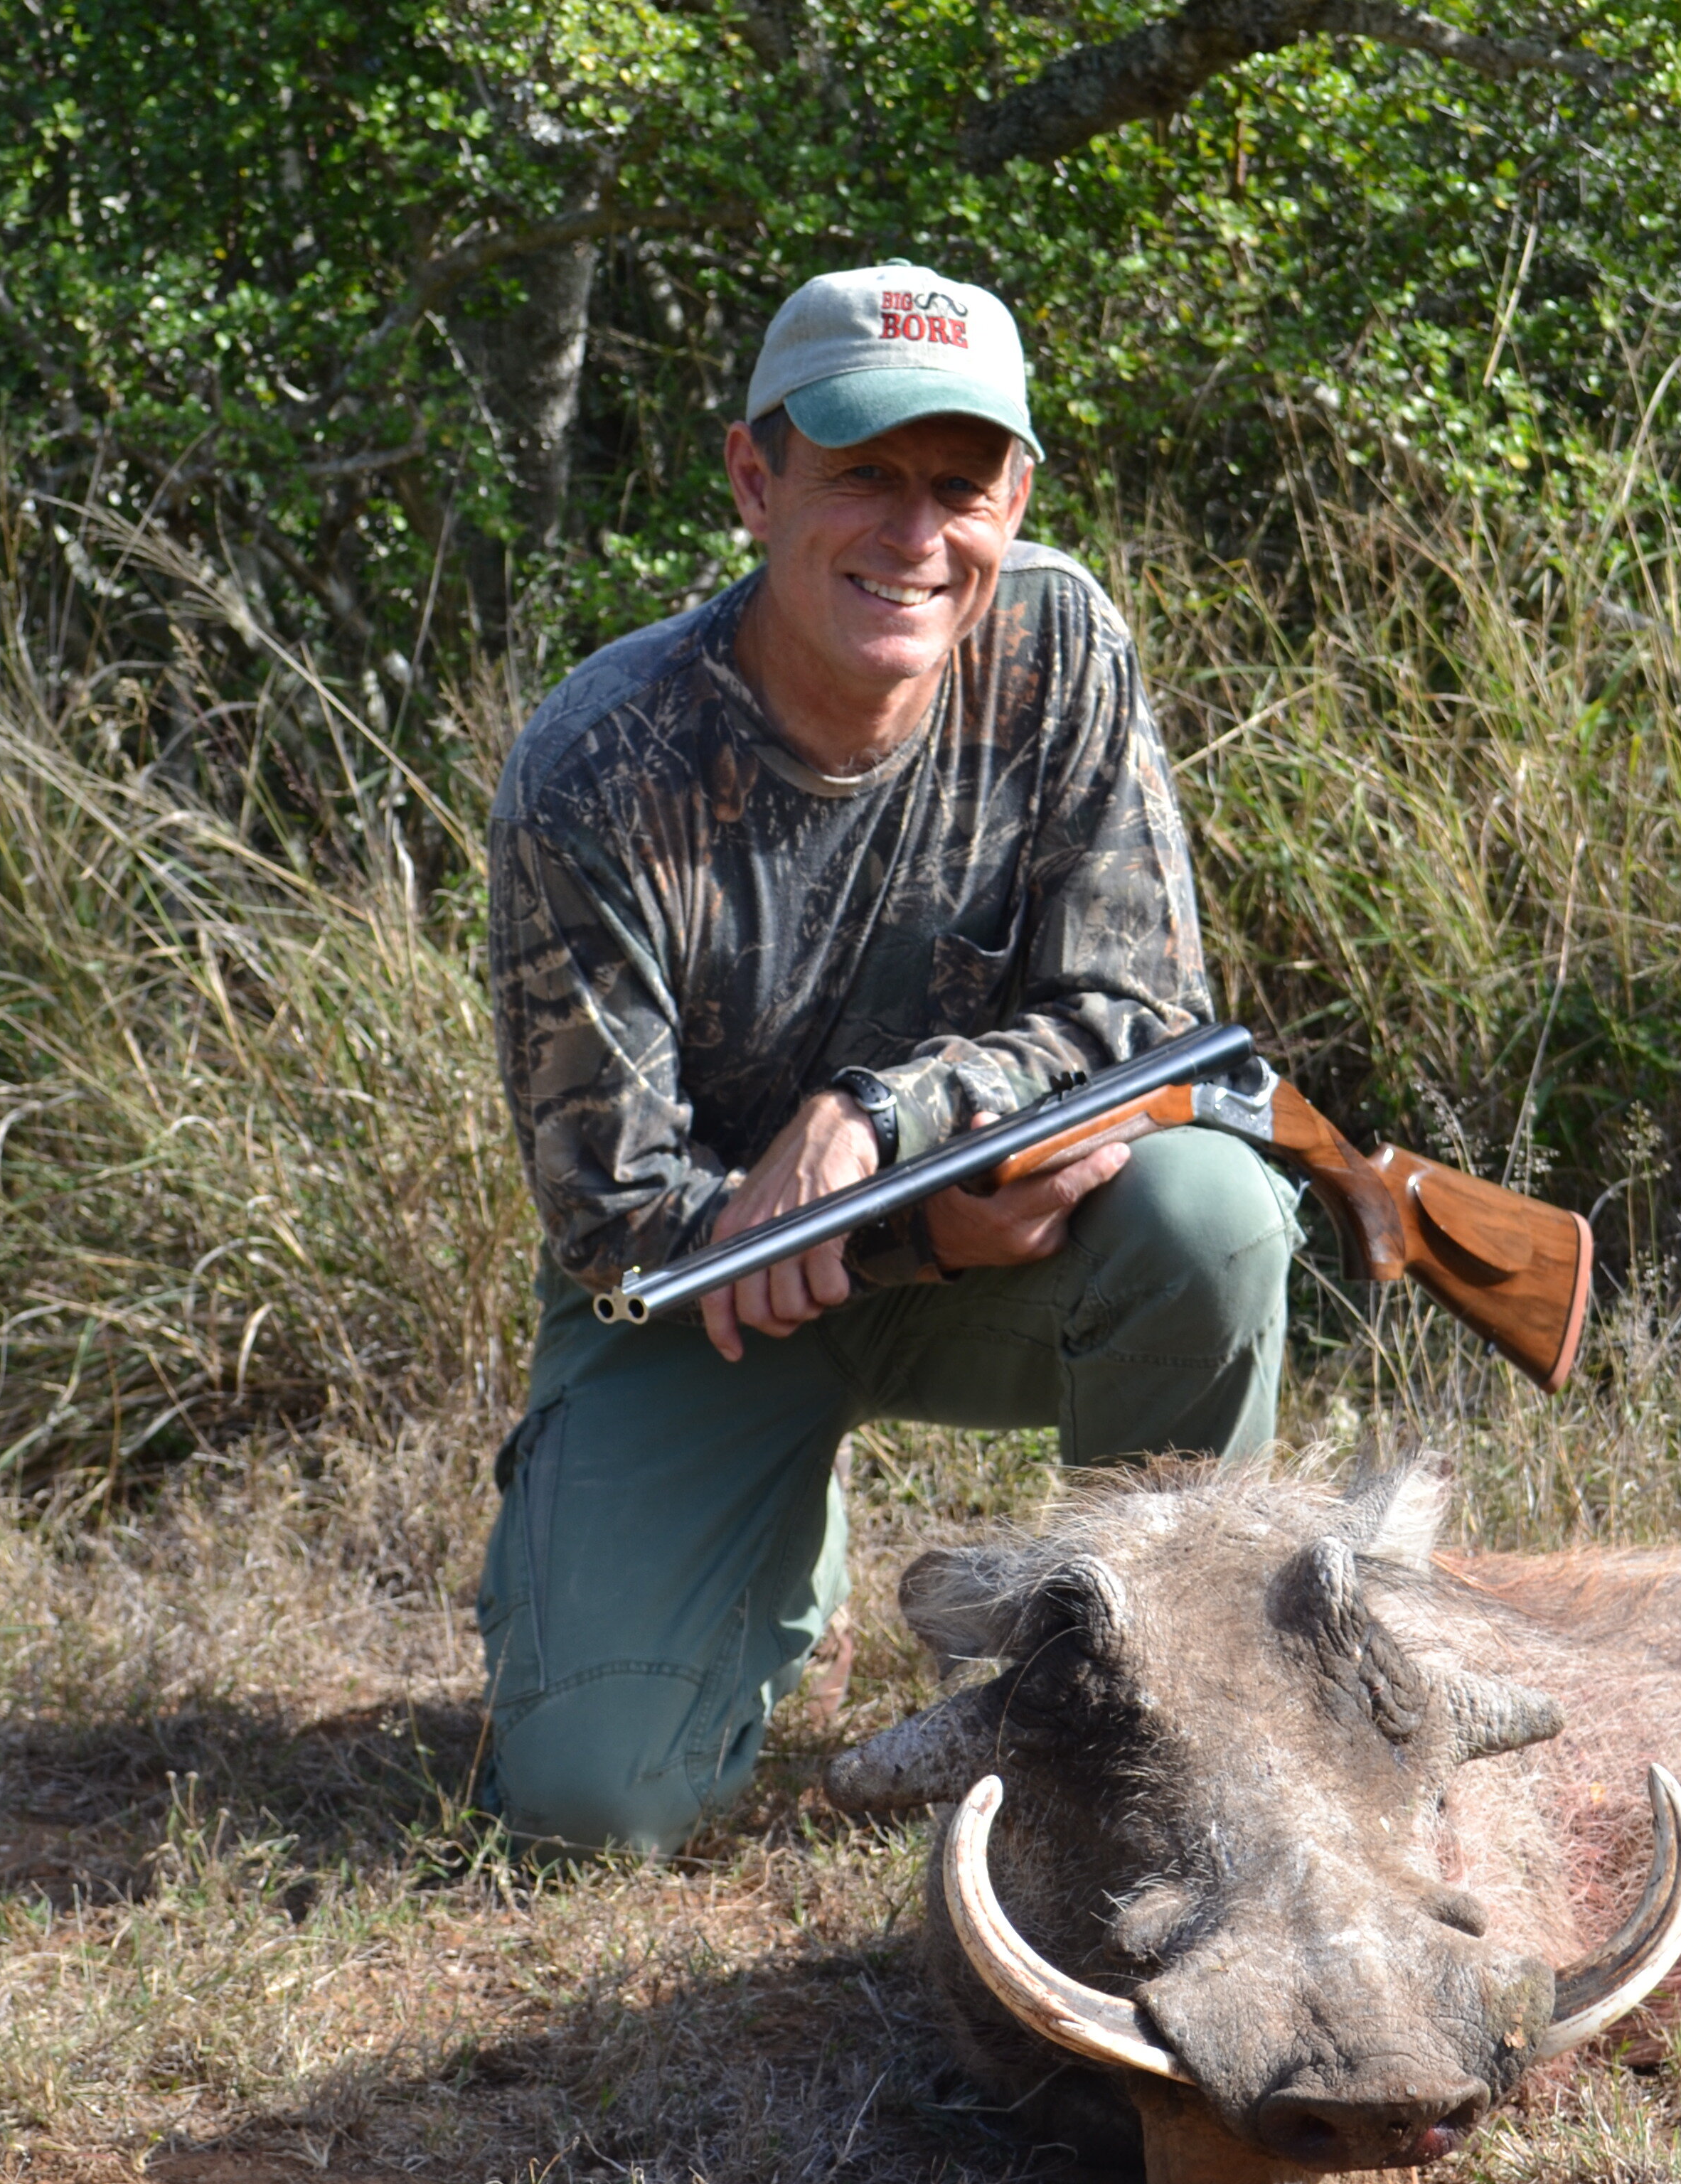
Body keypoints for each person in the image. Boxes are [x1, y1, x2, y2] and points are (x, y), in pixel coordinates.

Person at [474, 262, 1299, 1855]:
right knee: (596, 1809)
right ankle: (775, 1538)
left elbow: (1143, 1019)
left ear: (1019, 499)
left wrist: (883, 1121)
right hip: (711, 1302)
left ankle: (1161, 1704)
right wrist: (907, 1222)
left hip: (1004, 1253)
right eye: (862, 477)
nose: (914, 537)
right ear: (753, 481)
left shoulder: (1060, 638)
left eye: (957, 486)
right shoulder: (596, 761)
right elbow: (610, 1210)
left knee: (1215, 1213)